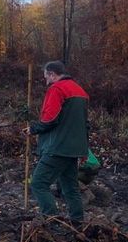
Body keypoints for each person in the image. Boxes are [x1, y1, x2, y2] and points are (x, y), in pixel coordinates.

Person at [23, 61, 89, 225]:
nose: (46, 81)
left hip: (57, 148)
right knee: (70, 187)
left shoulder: (57, 89)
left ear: (52, 74)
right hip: (73, 149)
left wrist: (33, 129)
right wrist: (84, 149)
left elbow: (49, 119)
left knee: (38, 184)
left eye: (46, 77)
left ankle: (52, 222)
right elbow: (85, 124)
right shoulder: (80, 91)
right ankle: (78, 223)